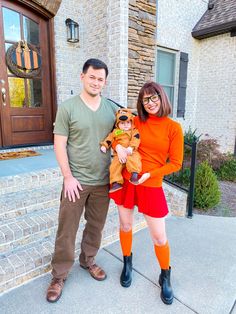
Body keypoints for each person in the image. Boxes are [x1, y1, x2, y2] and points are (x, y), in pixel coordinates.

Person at [46, 58, 118, 303]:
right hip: (75, 181)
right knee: (67, 230)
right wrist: (67, 177)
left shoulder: (111, 110)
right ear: (82, 77)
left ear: (105, 82)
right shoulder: (68, 108)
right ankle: (59, 275)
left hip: (103, 182)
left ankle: (88, 261)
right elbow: (59, 144)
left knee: (95, 227)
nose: (96, 82)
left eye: (100, 79)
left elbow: (120, 139)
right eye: (92, 77)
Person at [110, 81, 184, 305]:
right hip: (128, 180)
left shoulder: (173, 128)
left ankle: (165, 275)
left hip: (150, 184)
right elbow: (117, 137)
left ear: (162, 98)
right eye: (145, 99)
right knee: (125, 226)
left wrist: (150, 175)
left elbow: (176, 163)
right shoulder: (135, 122)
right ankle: (127, 263)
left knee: (159, 237)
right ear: (141, 103)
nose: (150, 103)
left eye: (154, 98)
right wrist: (117, 148)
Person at [100, 108, 142, 193]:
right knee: (114, 166)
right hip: (118, 154)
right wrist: (105, 145)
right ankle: (116, 182)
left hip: (131, 151)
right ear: (118, 124)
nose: (125, 125)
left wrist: (131, 147)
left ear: (131, 122)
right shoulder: (117, 132)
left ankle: (134, 174)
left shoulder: (133, 131)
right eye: (122, 123)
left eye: (128, 122)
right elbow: (110, 138)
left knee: (135, 159)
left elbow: (136, 139)